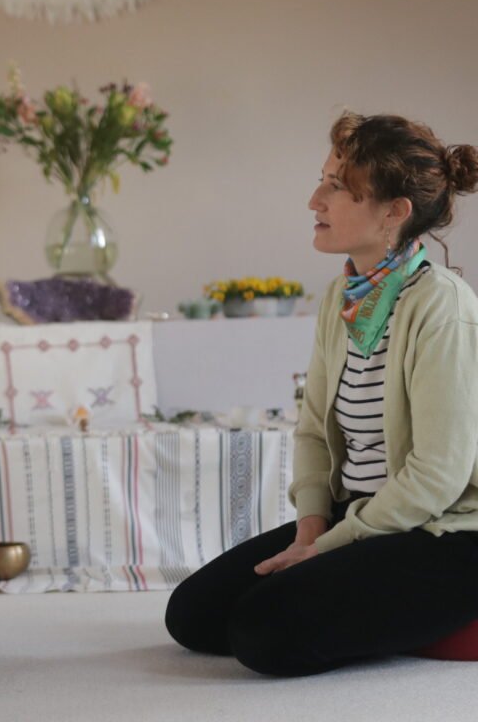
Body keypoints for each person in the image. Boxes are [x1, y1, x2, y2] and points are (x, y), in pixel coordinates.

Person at [165, 111, 478, 676]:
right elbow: (312, 429)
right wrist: (313, 526)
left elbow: (438, 474)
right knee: (192, 616)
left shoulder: (442, 307)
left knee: (263, 635)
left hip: (442, 532)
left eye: (337, 187)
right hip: (355, 515)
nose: (315, 200)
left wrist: (333, 547)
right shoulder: (346, 297)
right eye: (323, 180)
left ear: (394, 212)